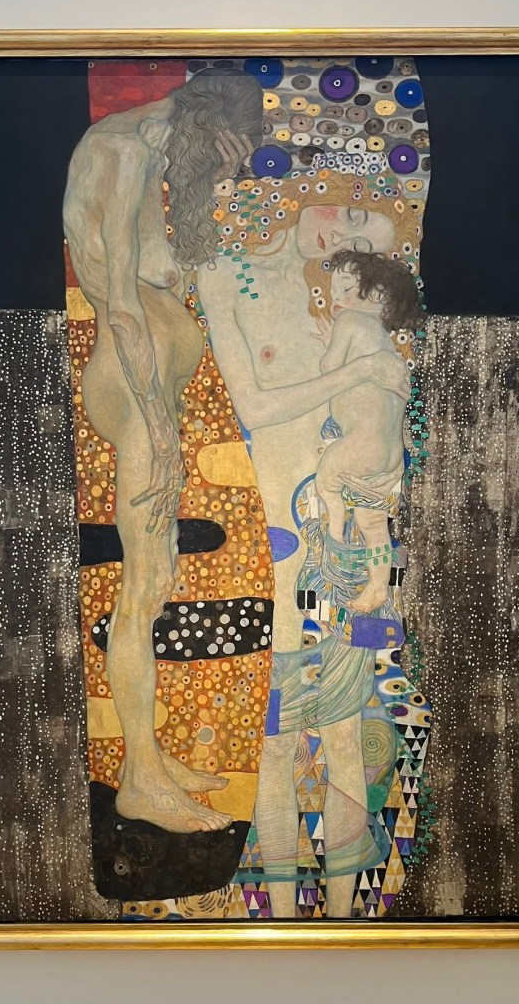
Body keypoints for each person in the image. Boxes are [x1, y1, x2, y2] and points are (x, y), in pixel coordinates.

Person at [196, 166, 421, 915]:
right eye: (348, 216)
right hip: (272, 542)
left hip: (344, 529)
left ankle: (344, 924)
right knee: (274, 736)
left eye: (365, 245)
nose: (342, 239)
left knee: (349, 728)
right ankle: (283, 918)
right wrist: (362, 369)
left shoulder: (339, 310)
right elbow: (256, 406)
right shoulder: (225, 277)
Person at [62, 70, 262, 833]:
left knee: (157, 581)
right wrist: (159, 426)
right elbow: (120, 306)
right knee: (142, 588)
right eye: (221, 150)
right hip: (133, 381)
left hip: (151, 379)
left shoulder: (150, 151)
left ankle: (150, 757)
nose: (217, 167)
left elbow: (163, 269)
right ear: (203, 118)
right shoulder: (119, 151)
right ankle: (139, 782)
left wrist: (217, 179)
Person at [314, 248, 424, 613]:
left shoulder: (350, 322)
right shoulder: (389, 352)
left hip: (360, 446)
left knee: (327, 485)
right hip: (389, 456)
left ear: (377, 296)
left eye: (346, 288)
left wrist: (327, 344)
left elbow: (330, 368)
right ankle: (377, 587)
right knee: (373, 522)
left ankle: (335, 527)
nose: (336, 298)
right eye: (333, 290)